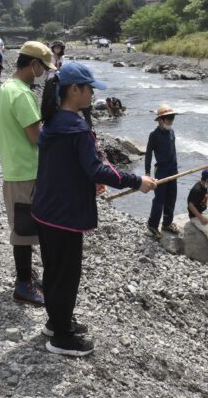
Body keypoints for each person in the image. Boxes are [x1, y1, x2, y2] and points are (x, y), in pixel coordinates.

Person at [32, 62, 156, 356]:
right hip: (64, 216)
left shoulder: (52, 122)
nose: (92, 95)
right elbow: (96, 170)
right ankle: (61, 337)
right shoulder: (76, 128)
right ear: (74, 90)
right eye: (89, 89)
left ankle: (56, 321)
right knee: (67, 274)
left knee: (53, 271)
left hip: (45, 210)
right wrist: (137, 180)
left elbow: (73, 166)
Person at [0, 41, 55, 306]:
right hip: (26, 170)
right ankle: (23, 284)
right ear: (33, 64)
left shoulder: (6, 87)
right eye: (43, 67)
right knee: (22, 230)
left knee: (22, 225)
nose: (44, 72)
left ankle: (27, 276)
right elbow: (36, 137)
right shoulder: (22, 94)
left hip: (14, 168)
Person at [145, 104, 180, 237]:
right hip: (161, 171)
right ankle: (153, 224)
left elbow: (173, 151)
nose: (170, 121)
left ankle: (167, 223)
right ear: (160, 120)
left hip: (173, 170)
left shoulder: (172, 132)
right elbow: (148, 154)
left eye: (172, 119)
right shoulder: (153, 135)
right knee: (159, 199)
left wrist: (176, 168)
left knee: (172, 197)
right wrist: (147, 173)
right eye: (168, 119)